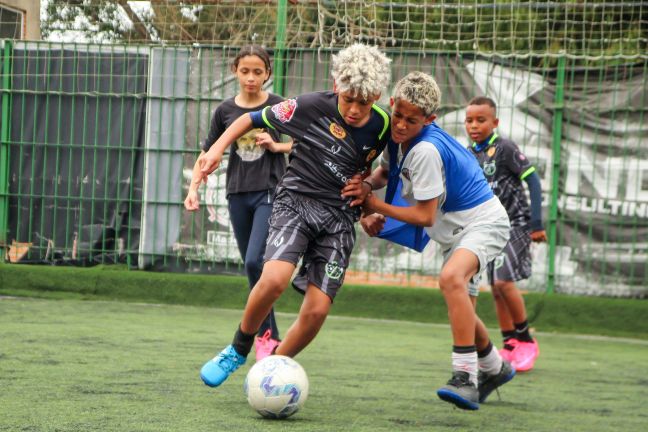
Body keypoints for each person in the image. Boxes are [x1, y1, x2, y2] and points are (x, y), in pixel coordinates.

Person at [195, 44, 392, 388]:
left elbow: (374, 171)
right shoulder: (311, 106)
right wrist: (215, 150)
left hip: (338, 219)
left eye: (364, 101)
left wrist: (366, 205)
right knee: (272, 280)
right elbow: (249, 118)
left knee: (316, 310)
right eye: (348, 99)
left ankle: (272, 369)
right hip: (296, 201)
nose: (356, 110)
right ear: (335, 85)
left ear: (376, 95)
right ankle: (238, 348)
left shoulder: (384, 124)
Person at [344, 72, 515, 410]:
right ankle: (495, 367)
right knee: (461, 301)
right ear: (392, 104)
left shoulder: (425, 150)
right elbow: (386, 171)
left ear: (430, 120)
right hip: (455, 229)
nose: (402, 125)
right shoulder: (395, 136)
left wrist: (373, 204)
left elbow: (425, 217)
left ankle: (465, 377)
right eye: (399, 115)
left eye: (412, 120)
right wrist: (367, 187)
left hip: (485, 223)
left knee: (451, 280)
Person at [184, 45, 292, 361]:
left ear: (267, 74)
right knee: (252, 268)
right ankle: (268, 334)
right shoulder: (225, 111)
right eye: (245, 71)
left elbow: (301, 140)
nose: (251, 78)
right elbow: (208, 153)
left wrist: (276, 145)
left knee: (254, 262)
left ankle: (266, 337)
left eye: (258, 72)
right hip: (237, 195)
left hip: (271, 193)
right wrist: (193, 189)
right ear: (235, 71)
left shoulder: (279, 106)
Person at [465, 96, 546, 372]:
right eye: (469, 120)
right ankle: (510, 343)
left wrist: (536, 224)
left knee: (503, 283)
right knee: (495, 289)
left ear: (494, 122)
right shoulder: (469, 153)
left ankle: (526, 340)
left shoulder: (506, 148)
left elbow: (533, 181)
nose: (474, 125)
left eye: (481, 120)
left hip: (516, 225)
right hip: (488, 229)